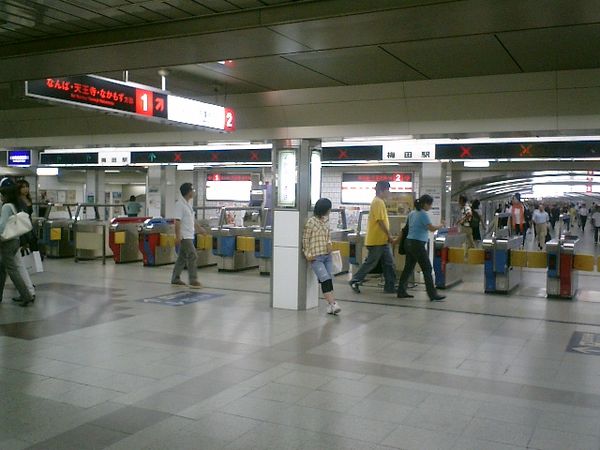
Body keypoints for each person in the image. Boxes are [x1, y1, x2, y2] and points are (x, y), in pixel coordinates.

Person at [349, 181, 396, 294]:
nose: (388, 193)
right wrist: (389, 235)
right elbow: (380, 221)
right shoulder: (378, 202)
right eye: (387, 190)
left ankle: (390, 286)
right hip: (376, 240)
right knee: (371, 262)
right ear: (382, 190)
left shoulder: (379, 202)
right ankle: (355, 280)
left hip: (381, 240)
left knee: (389, 263)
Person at [397, 194, 446, 301]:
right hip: (417, 244)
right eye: (430, 204)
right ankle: (432, 294)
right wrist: (441, 225)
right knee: (427, 268)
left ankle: (401, 291)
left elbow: (406, 229)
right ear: (425, 204)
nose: (430, 206)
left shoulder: (412, 213)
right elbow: (432, 228)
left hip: (408, 243)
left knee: (408, 268)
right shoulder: (423, 214)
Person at [302, 198, 341, 315]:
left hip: (327, 256)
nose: (329, 210)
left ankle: (331, 305)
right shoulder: (311, 222)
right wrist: (308, 255)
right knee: (324, 279)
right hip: (316, 257)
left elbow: (328, 236)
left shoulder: (326, 221)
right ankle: (333, 304)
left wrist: (329, 244)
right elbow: (305, 240)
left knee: (329, 279)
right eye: (328, 208)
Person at [0, 178, 35, 306]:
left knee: (12, 270)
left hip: (7, 242)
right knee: (3, 267)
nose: (1, 197)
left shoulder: (6, 207)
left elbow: (2, 225)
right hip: (15, 240)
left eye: (2, 195)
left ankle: (26, 295)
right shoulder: (16, 205)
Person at [171, 183, 205, 288]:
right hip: (184, 236)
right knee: (192, 255)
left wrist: (200, 229)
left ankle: (175, 278)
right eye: (193, 190)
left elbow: (192, 219)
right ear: (188, 192)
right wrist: (177, 236)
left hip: (190, 234)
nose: (194, 192)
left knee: (182, 258)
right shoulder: (179, 205)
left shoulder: (188, 204)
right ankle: (193, 280)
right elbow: (177, 221)